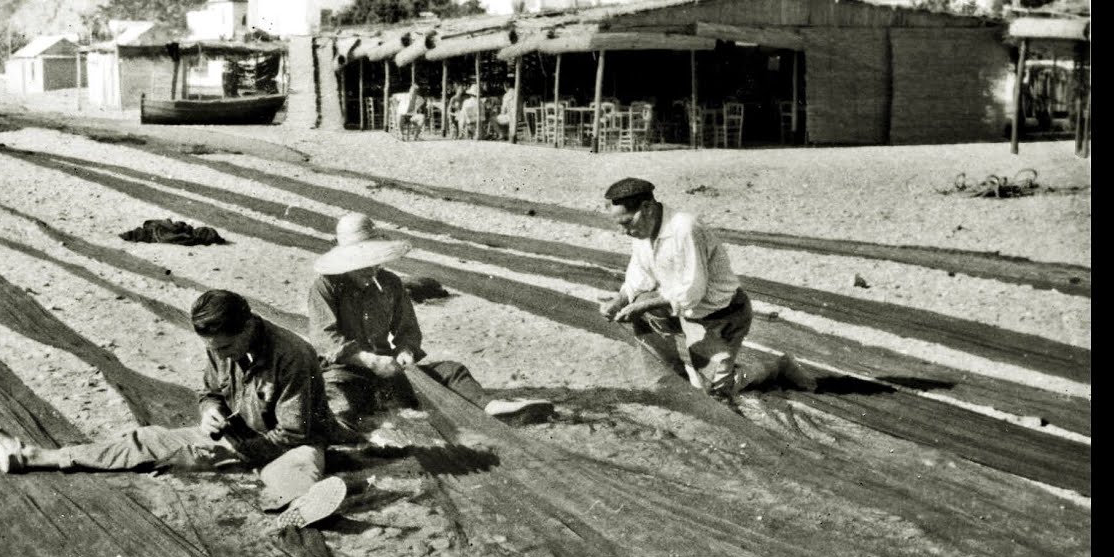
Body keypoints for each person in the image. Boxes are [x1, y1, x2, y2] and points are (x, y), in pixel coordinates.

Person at [0, 290, 350, 529]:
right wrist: (210, 411)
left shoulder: (292, 356)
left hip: (293, 444)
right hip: (238, 434)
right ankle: (30, 457)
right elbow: (210, 391)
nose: (219, 355)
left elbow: (294, 433)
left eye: (225, 348)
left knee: (297, 472)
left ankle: (298, 506)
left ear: (249, 326)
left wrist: (235, 450)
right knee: (146, 440)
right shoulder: (220, 344)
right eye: (214, 349)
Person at [309, 213, 554, 431]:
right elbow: (324, 338)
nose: (371, 269)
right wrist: (369, 360)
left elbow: (407, 329)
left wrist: (405, 351)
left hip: (389, 369)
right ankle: (346, 424)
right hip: (348, 370)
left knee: (452, 372)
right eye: (362, 264)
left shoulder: (390, 283)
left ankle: (491, 408)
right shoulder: (326, 287)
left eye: (374, 261)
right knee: (339, 395)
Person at [597, 178, 817, 408]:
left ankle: (776, 367)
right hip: (685, 312)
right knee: (639, 305)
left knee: (713, 395)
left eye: (627, 222)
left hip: (721, 317)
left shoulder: (685, 228)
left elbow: (692, 292)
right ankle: (673, 374)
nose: (624, 231)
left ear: (647, 208)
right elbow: (639, 277)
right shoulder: (643, 234)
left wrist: (640, 306)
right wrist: (619, 300)